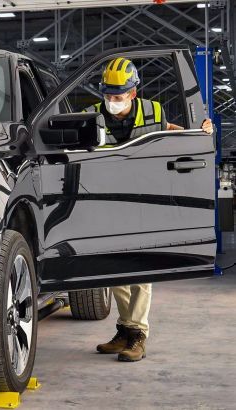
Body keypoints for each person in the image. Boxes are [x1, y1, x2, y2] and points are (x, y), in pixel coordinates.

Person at [87, 57, 213, 362]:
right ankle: (124, 330)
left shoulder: (153, 111)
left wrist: (201, 132)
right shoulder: (91, 115)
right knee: (114, 270)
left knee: (141, 270)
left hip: (143, 201)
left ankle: (138, 335)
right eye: (107, 94)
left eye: (117, 95)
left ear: (133, 92)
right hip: (107, 203)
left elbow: (171, 132)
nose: (111, 100)